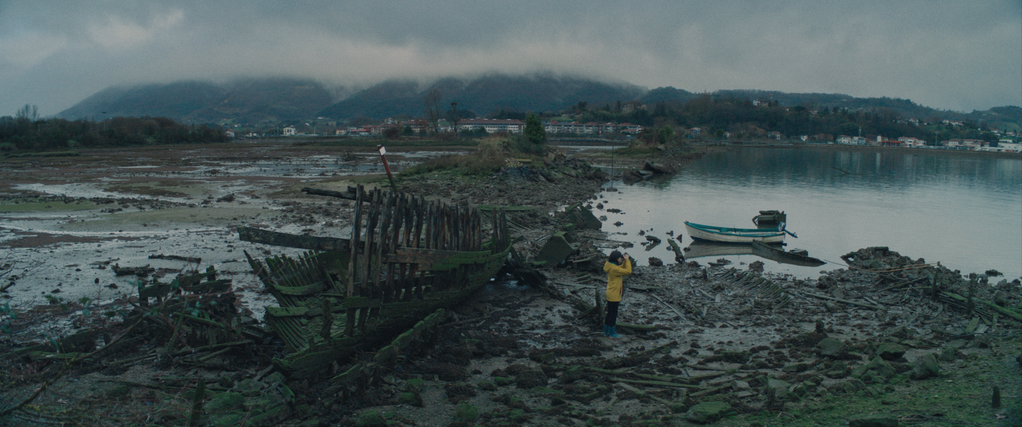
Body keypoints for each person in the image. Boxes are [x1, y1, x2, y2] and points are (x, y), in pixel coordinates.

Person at [603, 250, 632, 338]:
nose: (621, 260)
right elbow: (628, 271)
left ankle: (606, 332)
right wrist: (627, 260)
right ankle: (612, 332)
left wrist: (624, 262)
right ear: (617, 259)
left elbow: (622, 269)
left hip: (611, 292)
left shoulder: (610, 266)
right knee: (613, 314)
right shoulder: (614, 269)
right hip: (614, 294)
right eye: (620, 258)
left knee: (609, 313)